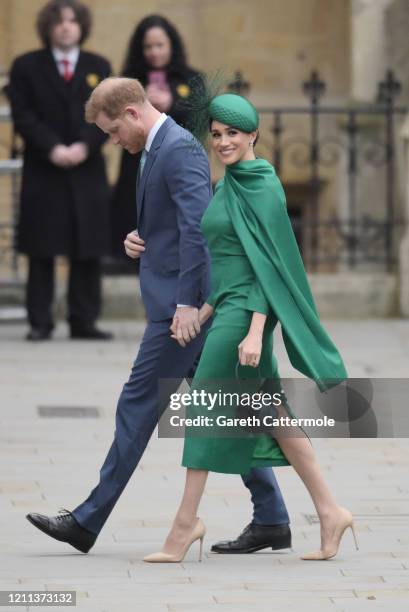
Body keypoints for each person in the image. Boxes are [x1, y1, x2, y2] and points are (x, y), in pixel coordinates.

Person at [24, 78, 291, 555]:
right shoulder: (157, 146)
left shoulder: (179, 149)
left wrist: (188, 305)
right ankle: (272, 516)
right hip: (176, 300)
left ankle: (86, 521)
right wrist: (141, 238)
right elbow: (176, 224)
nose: (112, 141)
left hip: (179, 312)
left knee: (137, 405)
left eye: (112, 131)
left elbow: (198, 229)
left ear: (130, 113)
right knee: (225, 407)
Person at [143, 93, 358, 564]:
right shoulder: (231, 183)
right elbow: (230, 263)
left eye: (232, 133)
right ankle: (330, 510)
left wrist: (257, 330)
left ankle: (184, 527)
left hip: (245, 320)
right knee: (272, 417)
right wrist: (202, 311)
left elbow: (270, 267)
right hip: (228, 310)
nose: (222, 142)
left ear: (254, 134)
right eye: (216, 134)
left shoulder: (263, 185)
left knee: (201, 410)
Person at [8, 0, 112, 341]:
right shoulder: (26, 66)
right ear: (48, 27)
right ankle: (40, 322)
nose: (66, 26)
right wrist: (52, 147)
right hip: (44, 166)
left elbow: (109, 114)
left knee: (87, 247)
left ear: (82, 26)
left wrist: (84, 145)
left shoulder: (100, 65)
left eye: (72, 21)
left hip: (87, 167)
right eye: (59, 21)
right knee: (42, 246)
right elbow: (23, 114)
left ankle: (84, 320)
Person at [110, 14, 202, 263]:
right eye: (148, 46)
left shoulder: (191, 78)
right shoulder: (129, 79)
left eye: (160, 45)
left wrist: (172, 104)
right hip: (136, 163)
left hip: (178, 162)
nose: (154, 52)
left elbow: (201, 120)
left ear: (172, 45)